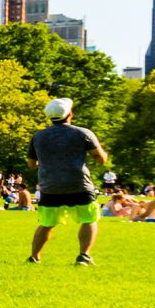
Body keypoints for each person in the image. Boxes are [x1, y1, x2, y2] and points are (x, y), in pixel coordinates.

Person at [26, 97, 109, 265]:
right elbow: (100, 159)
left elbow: (31, 164)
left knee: (47, 223)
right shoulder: (83, 133)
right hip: (78, 183)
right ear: (70, 114)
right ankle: (84, 256)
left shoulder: (38, 136)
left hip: (50, 186)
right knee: (89, 219)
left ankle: (34, 256)